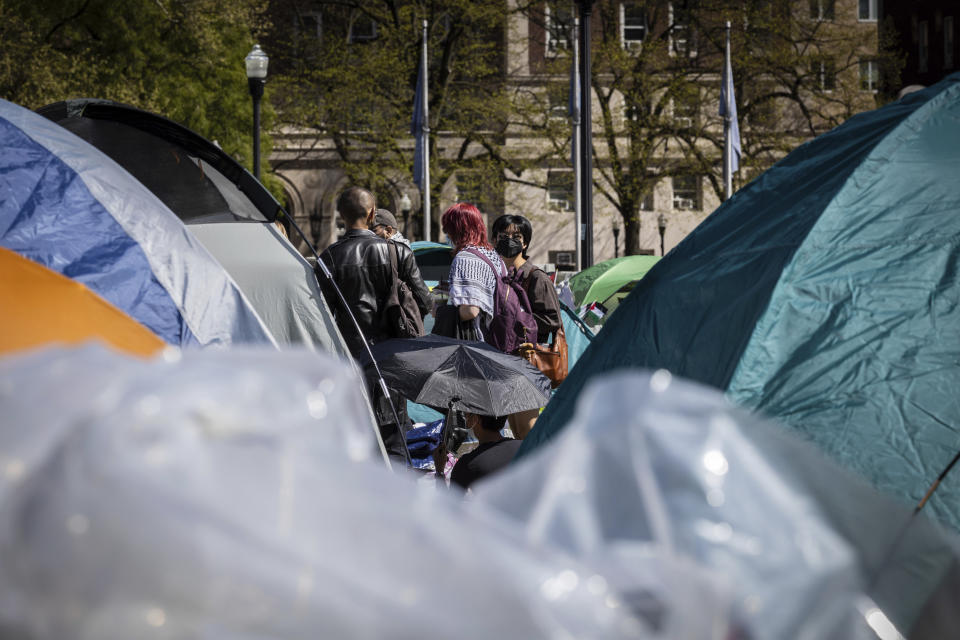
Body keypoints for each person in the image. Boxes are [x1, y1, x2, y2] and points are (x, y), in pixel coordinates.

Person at [318, 186, 431, 460]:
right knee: (394, 439)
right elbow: (425, 303)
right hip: (393, 357)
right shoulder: (398, 252)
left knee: (356, 441)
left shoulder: (329, 258)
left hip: (350, 359)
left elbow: (319, 316)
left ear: (341, 215)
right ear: (372, 214)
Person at [491, 214, 562, 439]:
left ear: (525, 243)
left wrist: (519, 323)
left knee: (526, 433)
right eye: (503, 236)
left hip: (527, 360)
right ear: (494, 239)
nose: (509, 240)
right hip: (503, 360)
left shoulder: (536, 277)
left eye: (516, 236)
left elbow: (553, 319)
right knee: (514, 430)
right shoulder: (497, 275)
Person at [436, 202, 506, 342]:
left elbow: (470, 311)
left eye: (448, 228)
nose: (447, 233)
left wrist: (439, 310)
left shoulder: (465, 258)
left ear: (456, 229)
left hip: (476, 343)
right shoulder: (493, 255)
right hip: (495, 339)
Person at [450, 413, 521, 491]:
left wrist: (440, 472)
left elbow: (449, 501)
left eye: (467, 415)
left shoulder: (467, 463)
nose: (465, 419)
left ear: (476, 419)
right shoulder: (525, 447)